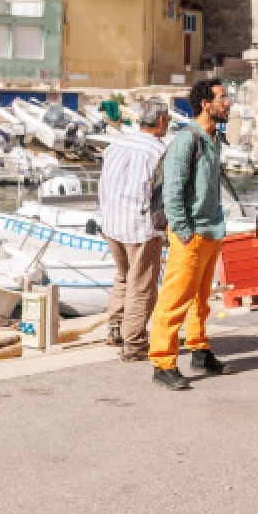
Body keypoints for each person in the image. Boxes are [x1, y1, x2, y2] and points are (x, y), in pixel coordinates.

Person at [147, 79, 234, 390]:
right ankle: (162, 362)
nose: (228, 103)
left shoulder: (214, 138)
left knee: (200, 299)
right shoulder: (187, 140)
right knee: (174, 298)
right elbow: (172, 190)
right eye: (222, 98)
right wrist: (182, 230)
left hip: (210, 230)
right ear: (204, 104)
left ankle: (199, 349)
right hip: (190, 233)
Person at [98, 98, 171, 361]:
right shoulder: (158, 151)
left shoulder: (116, 145)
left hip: (112, 222)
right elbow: (162, 194)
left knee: (123, 276)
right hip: (141, 227)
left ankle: (115, 329)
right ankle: (134, 343)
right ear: (161, 121)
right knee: (141, 285)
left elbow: (104, 184)